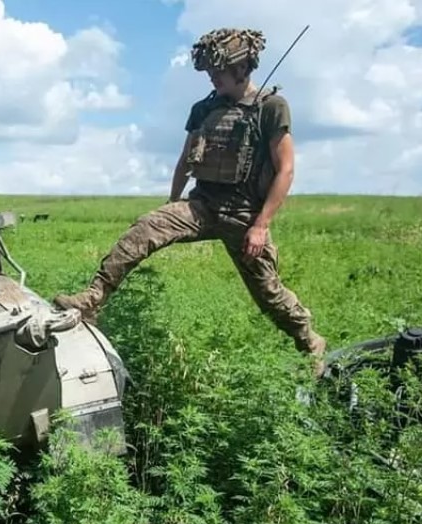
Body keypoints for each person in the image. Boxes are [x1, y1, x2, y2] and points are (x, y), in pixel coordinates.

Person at [53, 27, 326, 368]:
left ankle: (310, 343)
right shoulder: (203, 110)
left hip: (244, 215)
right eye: (209, 73)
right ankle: (92, 298)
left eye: (219, 72)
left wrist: (261, 226)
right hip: (202, 205)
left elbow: (285, 170)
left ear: (242, 68)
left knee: (269, 293)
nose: (212, 79)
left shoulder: (270, 107)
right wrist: (170, 205)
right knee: (144, 229)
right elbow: (185, 160)